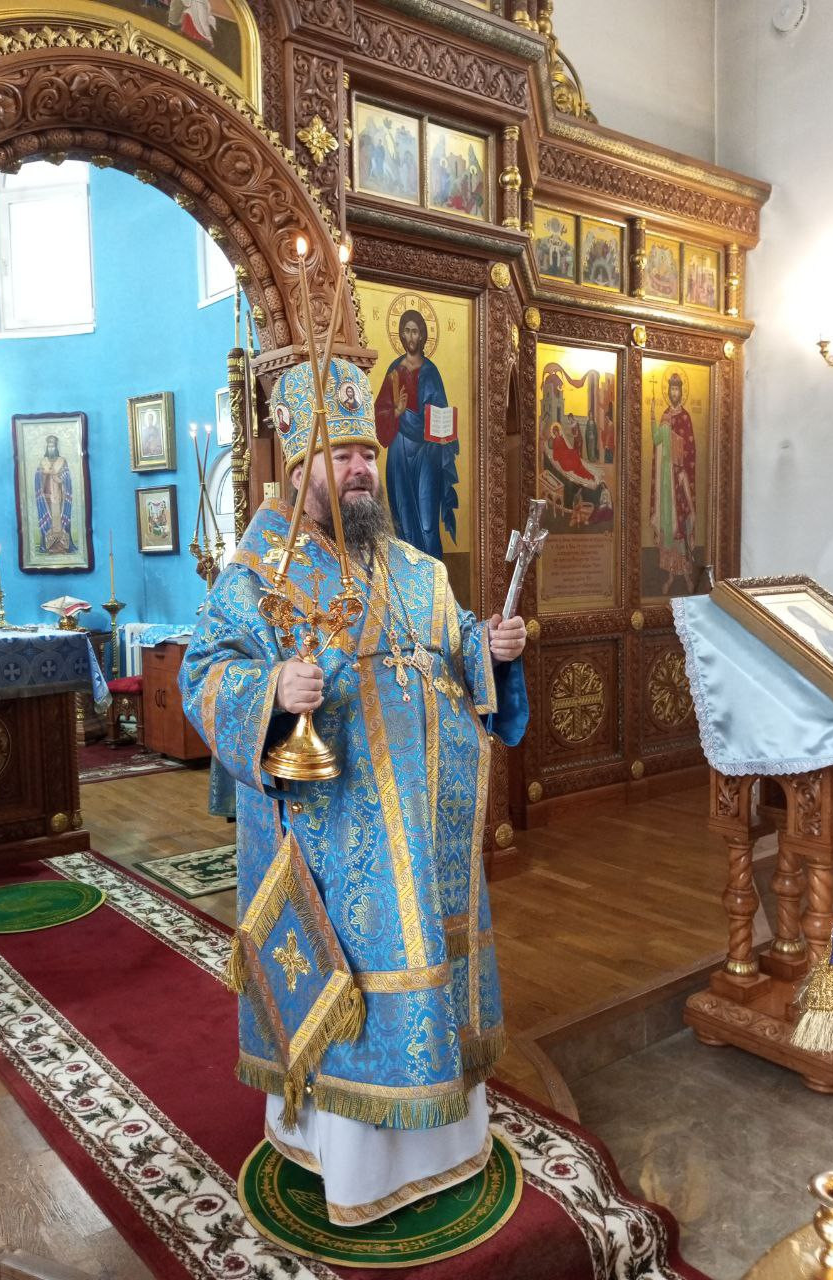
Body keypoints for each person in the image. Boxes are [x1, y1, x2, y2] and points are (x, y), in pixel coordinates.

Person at [179, 357, 528, 1227]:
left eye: (366, 454)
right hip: (333, 836)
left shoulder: (415, 569)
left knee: (428, 961)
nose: (361, 470)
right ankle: (353, 1165)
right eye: (340, 457)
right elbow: (204, 673)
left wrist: (490, 646)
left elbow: (453, 651)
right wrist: (271, 691)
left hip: (424, 828)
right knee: (359, 981)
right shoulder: (258, 573)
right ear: (300, 469)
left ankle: (441, 1139)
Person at [373, 309, 458, 559]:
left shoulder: (431, 371)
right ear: (401, 335)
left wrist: (445, 427)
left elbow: (442, 411)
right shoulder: (394, 371)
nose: (411, 336)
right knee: (403, 518)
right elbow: (379, 413)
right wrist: (397, 412)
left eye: (415, 331)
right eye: (407, 331)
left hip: (428, 452)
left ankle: (433, 576)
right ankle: (407, 577)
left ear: (422, 336)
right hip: (400, 450)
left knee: (427, 521)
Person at [649, 372, 695, 594]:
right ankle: (669, 575)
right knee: (668, 527)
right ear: (668, 391)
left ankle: (686, 575)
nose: (674, 392)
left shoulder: (685, 417)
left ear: (681, 392)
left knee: (680, 528)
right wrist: (652, 415)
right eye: (671, 389)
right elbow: (656, 440)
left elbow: (691, 450)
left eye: (677, 389)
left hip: (679, 478)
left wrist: (682, 468)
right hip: (666, 480)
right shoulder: (665, 415)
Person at [34, 435, 74, 555]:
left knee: (59, 520)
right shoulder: (43, 462)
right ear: (47, 447)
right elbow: (38, 478)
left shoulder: (62, 461)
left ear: (56, 447)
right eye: (49, 446)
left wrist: (58, 477)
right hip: (46, 497)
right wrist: (45, 473)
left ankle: (62, 546)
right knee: (49, 520)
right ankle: (48, 546)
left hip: (59, 496)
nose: (51, 448)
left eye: (53, 446)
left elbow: (67, 478)